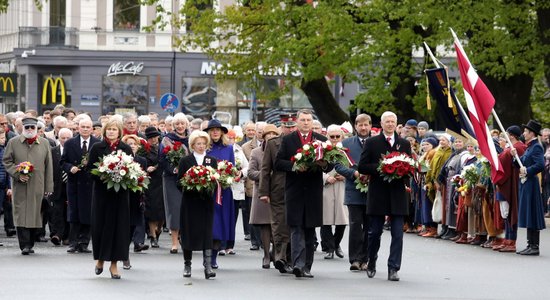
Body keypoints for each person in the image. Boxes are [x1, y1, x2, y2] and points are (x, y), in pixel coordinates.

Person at [275, 109, 332, 278]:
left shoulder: (321, 140)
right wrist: (294, 166)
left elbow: (330, 165)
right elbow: (278, 163)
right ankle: (298, 264)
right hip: (295, 190)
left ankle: (307, 266)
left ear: (312, 122)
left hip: (313, 191)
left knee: (309, 229)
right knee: (296, 228)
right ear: (297, 121)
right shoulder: (288, 140)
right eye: (303, 120)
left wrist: (322, 164)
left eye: (308, 120)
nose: (306, 122)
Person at [358, 111, 411, 281]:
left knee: (398, 233)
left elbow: (409, 167)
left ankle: (393, 268)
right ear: (381, 124)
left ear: (396, 124)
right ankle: (371, 259)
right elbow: (362, 166)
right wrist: (383, 167)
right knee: (374, 233)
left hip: (397, 194)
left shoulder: (404, 143)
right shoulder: (372, 143)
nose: (390, 124)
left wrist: (401, 169)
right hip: (378, 193)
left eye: (393, 122)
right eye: (387, 122)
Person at [87, 117, 133, 279]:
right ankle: (100, 259)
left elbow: (132, 171)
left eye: (114, 129)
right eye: (109, 129)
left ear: (120, 132)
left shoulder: (126, 148)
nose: (111, 132)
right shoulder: (97, 147)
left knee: (118, 229)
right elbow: (89, 171)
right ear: (105, 131)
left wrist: (125, 177)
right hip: (102, 195)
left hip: (120, 196)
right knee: (101, 227)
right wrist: (105, 175)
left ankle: (114, 265)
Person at [3, 117, 54, 255]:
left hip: (38, 184)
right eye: (27, 127)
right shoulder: (13, 142)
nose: (30, 130)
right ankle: (24, 245)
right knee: (21, 214)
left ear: (37, 128)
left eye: (32, 127)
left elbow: (49, 166)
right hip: (20, 185)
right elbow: (7, 161)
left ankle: (30, 243)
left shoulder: (44, 143)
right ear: (22, 128)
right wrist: (17, 174)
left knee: (35, 214)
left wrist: (49, 188)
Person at [258, 113, 297, 274]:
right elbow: (265, 169)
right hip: (278, 189)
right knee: (279, 224)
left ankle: (290, 257)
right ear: (281, 127)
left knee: (293, 223)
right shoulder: (273, 143)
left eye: (291, 126)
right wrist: (263, 192)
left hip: (296, 188)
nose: (289, 129)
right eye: (286, 126)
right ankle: (281, 257)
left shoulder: (300, 142)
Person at [177, 130, 218, 279]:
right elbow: (178, 182)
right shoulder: (185, 161)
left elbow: (216, 180)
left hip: (206, 202)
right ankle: (187, 264)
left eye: (203, 144)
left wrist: (209, 184)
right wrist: (190, 184)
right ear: (192, 145)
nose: (201, 146)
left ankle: (207, 265)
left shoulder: (211, 160)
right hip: (190, 202)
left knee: (207, 232)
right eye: (198, 144)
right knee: (188, 231)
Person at [335, 113, 371, 271]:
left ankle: (366, 258)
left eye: (366, 125)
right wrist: (354, 174)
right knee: (356, 226)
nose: (363, 128)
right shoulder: (345, 143)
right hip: (353, 191)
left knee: (370, 227)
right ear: (355, 126)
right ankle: (355, 260)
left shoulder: (376, 142)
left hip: (373, 192)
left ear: (370, 126)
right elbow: (339, 166)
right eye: (360, 125)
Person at [61, 118, 100, 254]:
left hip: (91, 184)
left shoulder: (97, 143)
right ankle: (73, 242)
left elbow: (101, 162)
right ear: (78, 128)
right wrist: (70, 167)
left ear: (92, 129)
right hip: (74, 183)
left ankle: (84, 242)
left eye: (88, 127)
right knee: (74, 213)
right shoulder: (70, 143)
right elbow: (63, 161)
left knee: (88, 213)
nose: (85, 129)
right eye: (82, 126)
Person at [205, 119, 240, 268]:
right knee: (211, 225)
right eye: (212, 130)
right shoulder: (205, 148)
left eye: (217, 130)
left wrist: (230, 175)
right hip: (208, 191)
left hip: (223, 192)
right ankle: (207, 256)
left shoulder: (228, 148)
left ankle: (213, 257)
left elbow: (232, 168)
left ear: (222, 132)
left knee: (221, 225)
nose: (215, 132)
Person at [511, 120, 546, 256]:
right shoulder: (529, 147)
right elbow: (521, 164)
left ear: (532, 133)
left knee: (532, 212)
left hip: (531, 183)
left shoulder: (536, 147)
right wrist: (515, 157)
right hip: (526, 183)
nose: (524, 133)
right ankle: (529, 244)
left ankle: (534, 246)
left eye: (526, 131)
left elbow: (540, 165)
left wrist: (527, 170)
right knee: (528, 213)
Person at [248, 124, 280, 269]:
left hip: (278, 192)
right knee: (265, 226)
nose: (271, 137)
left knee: (277, 225)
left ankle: (276, 252)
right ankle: (266, 255)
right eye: (269, 134)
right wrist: (265, 175)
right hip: (262, 191)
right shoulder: (256, 152)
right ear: (264, 137)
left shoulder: (281, 150)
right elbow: (251, 172)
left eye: (274, 134)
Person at [159, 113, 190, 253]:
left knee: (187, 209)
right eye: (177, 124)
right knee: (174, 209)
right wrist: (173, 169)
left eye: (182, 123)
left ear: (186, 124)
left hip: (189, 178)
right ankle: (174, 242)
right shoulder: (167, 139)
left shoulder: (192, 139)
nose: (180, 126)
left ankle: (187, 240)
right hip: (171, 178)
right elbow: (162, 158)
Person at [493, 126, 526, 252]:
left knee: (510, 212)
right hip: (504, 183)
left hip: (510, 183)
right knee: (505, 213)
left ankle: (511, 241)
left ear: (511, 135)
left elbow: (514, 165)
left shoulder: (519, 147)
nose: (505, 135)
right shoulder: (510, 148)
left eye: (507, 133)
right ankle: (507, 239)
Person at [121, 134, 149, 270]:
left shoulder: (142, 160)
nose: (131, 146)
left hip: (136, 197)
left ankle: (135, 244)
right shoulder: (119, 159)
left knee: (133, 225)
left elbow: (145, 178)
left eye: (134, 144)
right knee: (123, 227)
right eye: (129, 143)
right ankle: (125, 256)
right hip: (122, 196)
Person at [320, 125, 348, 260]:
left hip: (342, 186)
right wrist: (325, 177)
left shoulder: (345, 150)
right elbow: (315, 167)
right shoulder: (321, 150)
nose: (335, 139)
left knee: (342, 220)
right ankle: (329, 248)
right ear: (327, 136)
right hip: (326, 187)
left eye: (338, 136)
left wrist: (346, 175)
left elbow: (353, 166)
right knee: (325, 219)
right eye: (332, 136)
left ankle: (336, 244)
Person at [143, 126, 165, 248]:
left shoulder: (164, 147)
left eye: (154, 137)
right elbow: (140, 162)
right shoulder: (144, 150)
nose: (153, 139)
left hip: (163, 180)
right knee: (152, 210)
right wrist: (146, 168)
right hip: (151, 182)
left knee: (162, 211)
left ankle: (159, 229)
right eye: (150, 138)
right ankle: (153, 236)